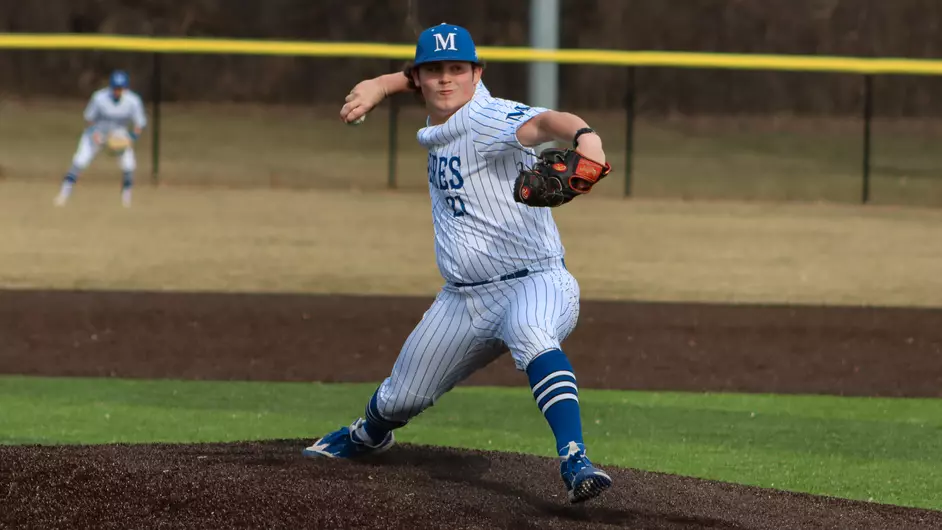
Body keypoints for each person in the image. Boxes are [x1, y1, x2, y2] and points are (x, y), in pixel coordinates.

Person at [303, 23, 613, 504]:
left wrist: (586, 137)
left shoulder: (490, 118)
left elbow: (549, 121)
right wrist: (382, 84)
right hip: (462, 300)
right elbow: (429, 81)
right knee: (399, 397)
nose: (446, 80)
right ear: (419, 76)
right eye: (434, 71)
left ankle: (575, 459)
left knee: (533, 332)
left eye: (458, 70)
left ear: (477, 74)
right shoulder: (442, 114)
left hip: (535, 281)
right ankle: (368, 434)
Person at [54, 70, 147, 208]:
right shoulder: (99, 98)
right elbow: (89, 119)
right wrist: (94, 135)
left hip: (118, 136)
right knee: (79, 161)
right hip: (97, 133)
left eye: (120, 88)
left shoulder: (133, 101)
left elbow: (139, 123)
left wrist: (132, 137)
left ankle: (126, 200)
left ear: (125, 88)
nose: (117, 91)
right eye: (115, 88)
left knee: (129, 165)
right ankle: (63, 195)